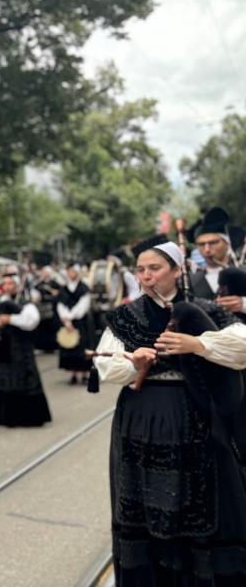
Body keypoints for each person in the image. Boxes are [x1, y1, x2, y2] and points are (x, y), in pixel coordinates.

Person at [93, 234, 246, 585]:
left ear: (177, 270)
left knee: (196, 502)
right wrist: (133, 360)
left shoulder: (206, 309)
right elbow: (105, 365)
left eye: (155, 268)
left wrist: (198, 343)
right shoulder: (129, 316)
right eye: (141, 270)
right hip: (139, 419)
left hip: (192, 418)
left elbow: (241, 347)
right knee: (141, 504)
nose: (146, 276)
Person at [0, 275, 51, 427]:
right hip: (1, 351)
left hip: (21, 352)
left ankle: (26, 417)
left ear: (17, 286)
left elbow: (31, 321)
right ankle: (1, 416)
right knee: (3, 383)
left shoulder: (25, 304)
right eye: (5, 283)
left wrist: (10, 319)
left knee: (24, 381)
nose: (8, 286)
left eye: (11, 284)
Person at [190, 206, 246, 316]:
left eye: (213, 242)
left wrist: (243, 304)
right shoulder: (191, 280)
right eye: (201, 244)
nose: (206, 249)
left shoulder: (244, 272)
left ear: (227, 243)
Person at [57, 263, 94, 384]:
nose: (71, 274)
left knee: (82, 347)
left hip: (80, 322)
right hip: (67, 323)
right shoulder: (63, 289)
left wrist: (71, 317)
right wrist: (65, 319)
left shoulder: (84, 288)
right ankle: (73, 374)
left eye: (73, 271)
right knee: (69, 347)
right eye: (69, 271)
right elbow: (60, 305)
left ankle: (83, 374)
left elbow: (82, 306)